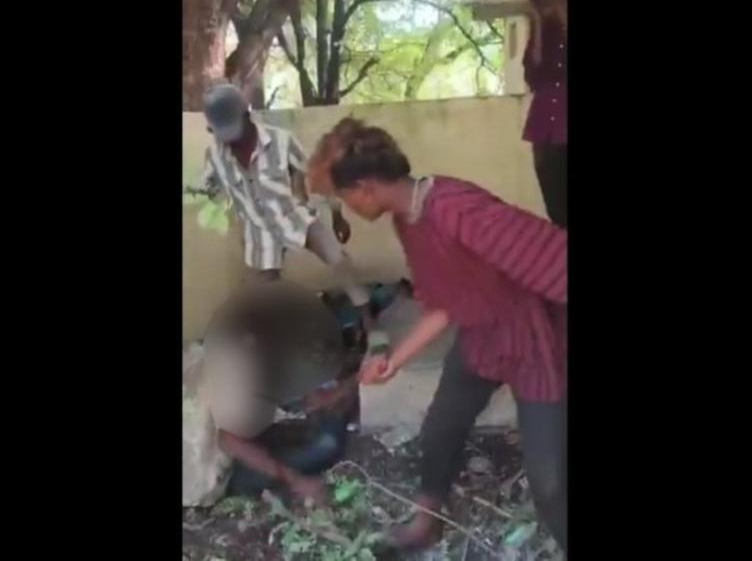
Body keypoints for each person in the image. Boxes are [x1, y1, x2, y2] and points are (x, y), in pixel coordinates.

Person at [308, 119, 568, 553]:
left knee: (551, 483)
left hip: (531, 341)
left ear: (366, 188)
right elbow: (444, 301)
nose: (347, 208)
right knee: (441, 427)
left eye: (344, 197)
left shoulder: (459, 209)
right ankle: (426, 522)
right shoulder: (407, 220)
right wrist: (394, 361)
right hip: (480, 337)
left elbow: (553, 258)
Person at [191, 82, 371, 315]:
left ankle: (369, 319)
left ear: (247, 115)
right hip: (258, 231)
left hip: (294, 215)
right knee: (262, 298)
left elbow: (316, 176)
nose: (231, 141)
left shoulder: (282, 141)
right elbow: (207, 189)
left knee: (338, 259)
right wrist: (200, 191)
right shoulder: (215, 156)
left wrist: (337, 214)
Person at [203, 281, 363, 506]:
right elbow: (229, 441)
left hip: (248, 425)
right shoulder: (236, 379)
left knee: (326, 438)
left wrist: (342, 389)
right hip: (223, 466)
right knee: (326, 445)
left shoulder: (249, 352)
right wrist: (295, 480)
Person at [523, 0, 568, 227]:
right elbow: (533, 75)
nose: (550, 3)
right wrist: (537, 25)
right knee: (556, 208)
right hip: (545, 129)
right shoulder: (543, 30)